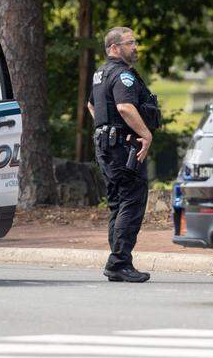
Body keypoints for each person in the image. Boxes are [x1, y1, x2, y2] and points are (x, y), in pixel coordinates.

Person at [87, 27, 161, 283]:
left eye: (135, 42)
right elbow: (125, 107)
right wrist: (146, 135)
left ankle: (119, 260)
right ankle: (118, 262)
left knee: (118, 203)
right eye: (130, 43)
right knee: (131, 200)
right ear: (114, 48)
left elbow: (91, 105)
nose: (135, 46)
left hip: (108, 148)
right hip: (124, 148)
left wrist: (104, 130)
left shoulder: (100, 74)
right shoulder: (122, 75)